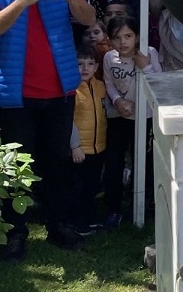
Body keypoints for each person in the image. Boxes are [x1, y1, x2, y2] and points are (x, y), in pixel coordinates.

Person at [0, 0, 98, 261]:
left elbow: (89, 18)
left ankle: (59, 225)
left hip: (60, 94)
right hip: (15, 98)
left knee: (57, 165)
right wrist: (24, 0)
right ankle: (15, 234)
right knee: (15, 170)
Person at [102, 16, 162, 229]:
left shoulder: (149, 53)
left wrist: (145, 67)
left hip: (145, 118)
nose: (123, 42)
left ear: (137, 37)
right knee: (114, 162)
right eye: (117, 37)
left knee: (144, 162)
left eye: (128, 36)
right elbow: (109, 83)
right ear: (110, 40)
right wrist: (118, 101)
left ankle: (143, 204)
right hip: (120, 118)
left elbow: (159, 84)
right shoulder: (109, 57)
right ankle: (113, 208)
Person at [69, 48, 107, 234]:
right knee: (77, 187)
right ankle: (77, 223)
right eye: (80, 63)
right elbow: (67, 120)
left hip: (98, 147)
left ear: (96, 67)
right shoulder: (72, 89)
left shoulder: (100, 86)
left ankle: (89, 219)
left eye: (90, 64)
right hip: (79, 150)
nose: (85, 68)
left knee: (92, 186)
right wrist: (74, 145)